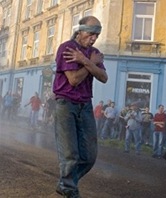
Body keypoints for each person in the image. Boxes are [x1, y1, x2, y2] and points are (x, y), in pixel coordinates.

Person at [53, 16, 108, 197]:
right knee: (70, 155)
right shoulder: (67, 48)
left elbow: (103, 77)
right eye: (91, 34)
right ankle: (69, 189)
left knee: (90, 156)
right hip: (65, 104)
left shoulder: (94, 53)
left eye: (97, 36)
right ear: (80, 31)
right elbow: (74, 79)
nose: (93, 39)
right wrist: (91, 62)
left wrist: (85, 61)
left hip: (85, 105)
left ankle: (65, 183)